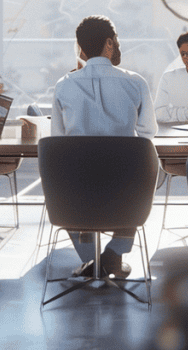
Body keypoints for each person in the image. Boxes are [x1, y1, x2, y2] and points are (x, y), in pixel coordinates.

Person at [51, 15, 158, 279]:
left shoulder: (63, 85)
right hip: (126, 190)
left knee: (59, 178)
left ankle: (92, 259)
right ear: (109, 43)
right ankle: (114, 254)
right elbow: (148, 133)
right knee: (142, 171)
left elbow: (57, 140)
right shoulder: (135, 82)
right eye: (116, 41)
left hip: (77, 189)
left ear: (81, 48)